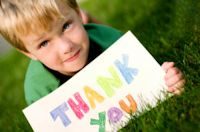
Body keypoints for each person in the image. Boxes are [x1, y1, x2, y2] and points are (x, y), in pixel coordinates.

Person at [0, 0, 185, 105]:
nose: (66, 47)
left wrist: (165, 80)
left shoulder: (107, 39)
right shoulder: (39, 90)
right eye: (44, 43)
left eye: (66, 26)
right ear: (27, 52)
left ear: (77, 14)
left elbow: (146, 74)